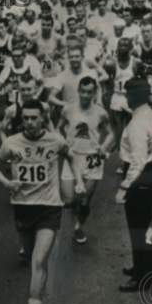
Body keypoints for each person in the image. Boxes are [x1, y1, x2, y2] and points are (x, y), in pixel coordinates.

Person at [0, 100, 84, 304]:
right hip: (22, 207)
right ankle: (39, 296)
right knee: (33, 260)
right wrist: (7, 183)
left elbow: (71, 156)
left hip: (48, 207)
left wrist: (79, 181)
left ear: (43, 118)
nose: (30, 122)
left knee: (39, 260)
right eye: (26, 118)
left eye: (35, 118)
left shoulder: (55, 140)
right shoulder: (11, 143)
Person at [58, 76, 114, 244]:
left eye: (89, 92)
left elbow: (111, 133)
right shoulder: (68, 110)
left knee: (84, 201)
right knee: (68, 199)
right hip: (72, 156)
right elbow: (59, 127)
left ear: (94, 92)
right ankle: (75, 213)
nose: (85, 95)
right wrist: (63, 143)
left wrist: (103, 148)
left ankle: (78, 226)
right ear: (78, 91)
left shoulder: (100, 113)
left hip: (92, 159)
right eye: (82, 91)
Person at [116, 79, 152, 292]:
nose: (126, 97)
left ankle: (144, 277)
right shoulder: (149, 115)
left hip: (140, 176)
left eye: (128, 94)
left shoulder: (138, 123)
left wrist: (124, 187)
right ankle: (141, 269)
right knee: (142, 227)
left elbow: (138, 161)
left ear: (135, 96)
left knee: (138, 228)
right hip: (150, 174)